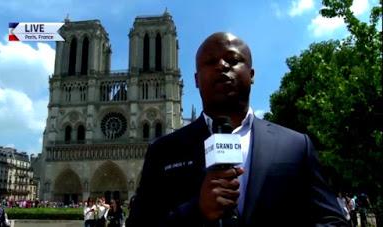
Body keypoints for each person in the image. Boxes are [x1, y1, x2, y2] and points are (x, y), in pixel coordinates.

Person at [126, 32, 348, 226]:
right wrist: (196, 211)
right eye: (211, 61)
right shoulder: (163, 151)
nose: (222, 66)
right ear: (195, 80)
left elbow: (333, 221)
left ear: (251, 75)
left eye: (233, 60)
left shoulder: (296, 146)